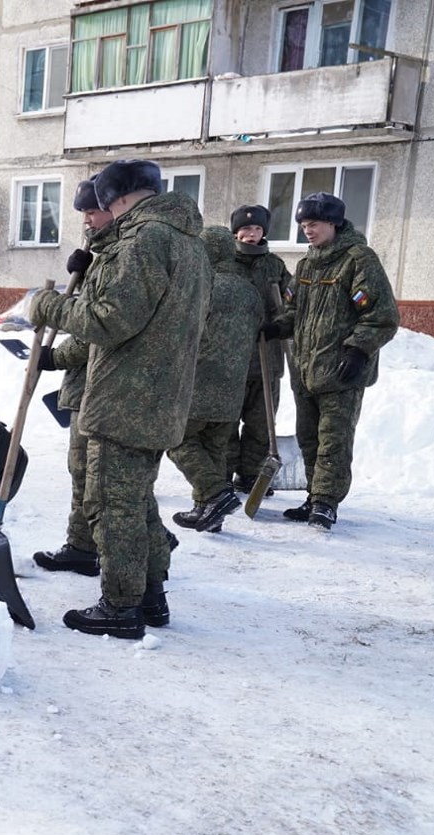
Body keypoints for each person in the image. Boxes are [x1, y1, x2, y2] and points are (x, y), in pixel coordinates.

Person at [24, 159, 211, 639]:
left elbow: (109, 320)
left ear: (121, 198)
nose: (101, 211)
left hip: (126, 395)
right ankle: (151, 596)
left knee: (113, 505)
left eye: (105, 203)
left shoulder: (145, 240)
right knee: (136, 501)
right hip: (160, 394)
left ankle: (120, 606)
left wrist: (49, 307)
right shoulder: (189, 241)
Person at [261, 192, 399, 530]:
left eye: (314, 224)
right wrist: (275, 327)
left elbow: (382, 315)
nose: (308, 231)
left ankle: (326, 502)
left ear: (334, 223)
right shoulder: (307, 264)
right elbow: (294, 311)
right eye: (304, 225)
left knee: (334, 439)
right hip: (306, 369)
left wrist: (358, 350)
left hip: (341, 370)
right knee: (309, 437)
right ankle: (314, 495)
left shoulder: (358, 260)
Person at [30, 178, 113, 578]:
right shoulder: (100, 256)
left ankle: (135, 544)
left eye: (92, 211)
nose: (86, 220)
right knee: (81, 471)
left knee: (90, 476)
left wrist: (54, 357)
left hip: (98, 385)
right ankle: (81, 545)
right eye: (82, 212)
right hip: (87, 384)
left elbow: (96, 332)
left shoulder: (119, 258)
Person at [168, 226, 263, 533]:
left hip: (198, 383)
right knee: (214, 450)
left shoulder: (201, 285)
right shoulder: (250, 290)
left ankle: (215, 495)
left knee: (177, 440)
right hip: (233, 386)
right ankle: (209, 514)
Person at [227, 205, 292, 493]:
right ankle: (221, 475)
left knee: (260, 422)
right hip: (230, 359)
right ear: (235, 232)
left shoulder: (274, 265)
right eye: (245, 229)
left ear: (264, 232)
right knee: (226, 421)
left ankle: (251, 474)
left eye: (256, 230)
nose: (250, 235)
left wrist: (280, 323)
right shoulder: (224, 262)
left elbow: (291, 303)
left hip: (267, 356)